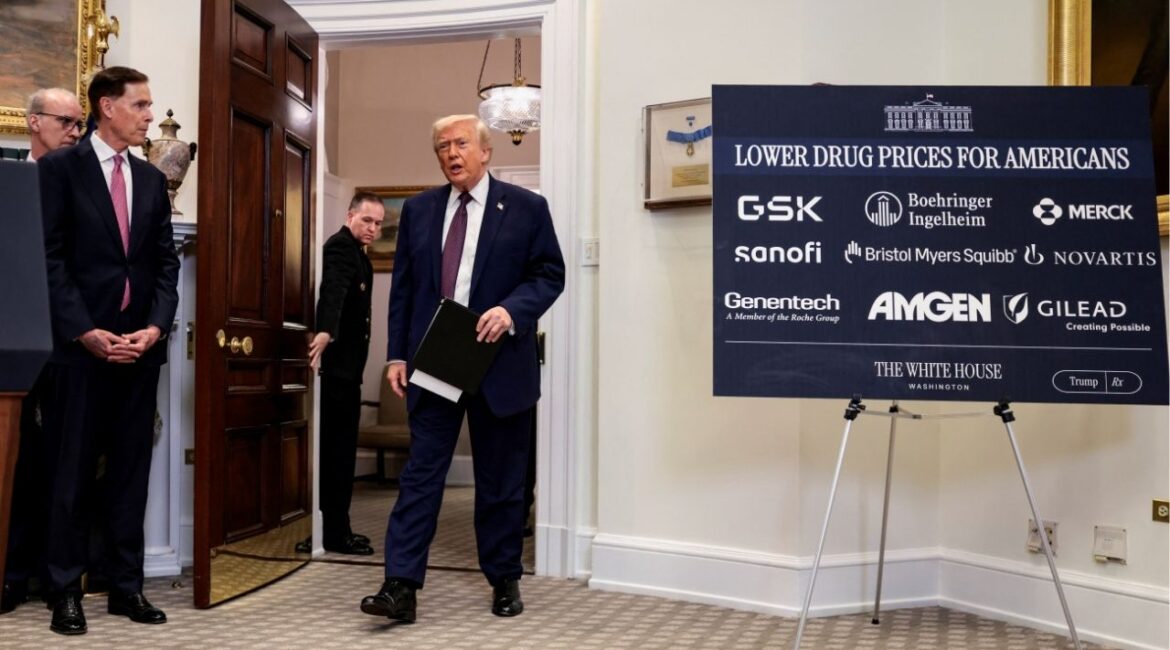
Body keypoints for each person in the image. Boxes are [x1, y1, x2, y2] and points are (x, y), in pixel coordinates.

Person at [360, 115, 564, 622]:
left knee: (500, 480)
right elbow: (404, 288)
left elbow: (549, 274)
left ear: (486, 151)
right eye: (443, 147)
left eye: (462, 144)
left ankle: (504, 579)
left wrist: (513, 310)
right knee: (421, 476)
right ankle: (400, 586)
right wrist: (397, 354)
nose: (452, 153)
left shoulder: (526, 208)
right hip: (438, 358)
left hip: (501, 359)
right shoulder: (420, 210)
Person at [36, 66, 180, 635]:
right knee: (69, 475)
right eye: (141, 105)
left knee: (130, 473)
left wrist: (156, 327)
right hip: (79, 350)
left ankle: (125, 587)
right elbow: (48, 259)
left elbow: (165, 265)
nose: (149, 115)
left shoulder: (149, 180)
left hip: (138, 351)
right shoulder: (60, 171)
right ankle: (65, 590)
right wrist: (83, 330)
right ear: (106, 108)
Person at [0, 88, 86, 615]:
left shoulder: (87, 182)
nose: (76, 131)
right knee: (15, 461)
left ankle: (54, 577)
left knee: (63, 464)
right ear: (34, 123)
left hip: (70, 344)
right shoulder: (10, 178)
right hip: (13, 340)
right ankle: (9, 575)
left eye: (80, 124)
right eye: (67, 122)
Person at [307, 192, 385, 556]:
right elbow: (333, 289)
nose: (373, 228)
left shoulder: (359, 255)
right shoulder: (340, 247)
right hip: (337, 370)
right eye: (367, 220)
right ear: (350, 215)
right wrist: (326, 329)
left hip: (348, 370)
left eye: (379, 223)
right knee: (336, 454)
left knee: (342, 453)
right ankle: (335, 532)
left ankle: (338, 528)